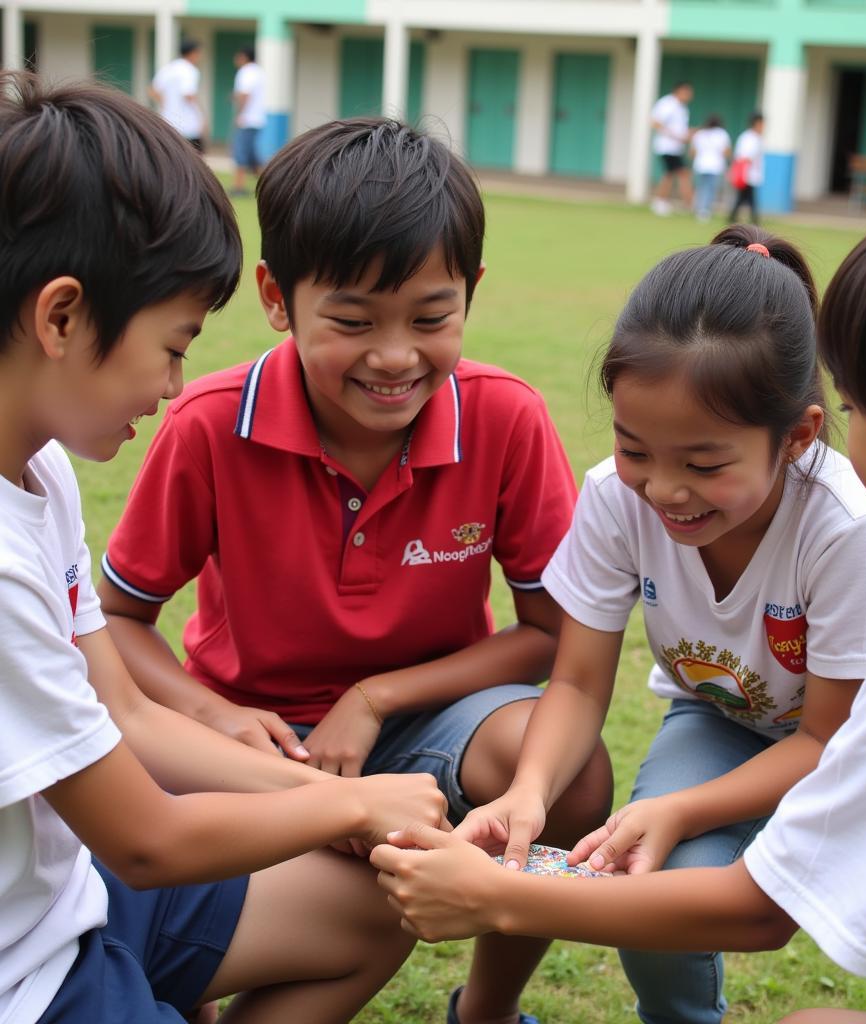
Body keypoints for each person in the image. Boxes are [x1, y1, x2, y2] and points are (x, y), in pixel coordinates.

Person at [373, 180, 866, 1024]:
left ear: (800, 436)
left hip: (845, 732)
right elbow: (573, 683)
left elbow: (823, 753)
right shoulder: (618, 498)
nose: (666, 490)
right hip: (723, 722)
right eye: (637, 449)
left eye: (706, 464)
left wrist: (528, 883)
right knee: (659, 885)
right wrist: (529, 794)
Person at [97, 116, 613, 1024]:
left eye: (430, 317)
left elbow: (548, 637)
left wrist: (376, 697)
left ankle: (485, 1012)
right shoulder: (210, 424)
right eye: (351, 321)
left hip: (427, 724)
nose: (394, 356)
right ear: (275, 296)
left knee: (569, 774)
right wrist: (218, 717)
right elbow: (119, 619)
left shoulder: (506, 419)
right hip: (244, 739)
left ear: (472, 292)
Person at [0, 72, 451, 1024]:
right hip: (25, 970)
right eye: (172, 345)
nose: (172, 385)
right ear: (61, 316)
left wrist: (330, 800)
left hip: (70, 900)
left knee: (376, 909)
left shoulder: (41, 475)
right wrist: (352, 808)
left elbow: (128, 709)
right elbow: (147, 840)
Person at [149, 38, 204, 151]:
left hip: (168, 120)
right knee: (193, 158)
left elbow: (152, 90)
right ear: (193, 53)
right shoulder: (190, 70)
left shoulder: (168, 68)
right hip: (189, 124)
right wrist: (202, 116)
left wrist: (166, 105)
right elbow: (188, 95)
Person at [649, 82, 693, 216]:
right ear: (679, 91)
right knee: (679, 173)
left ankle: (662, 201)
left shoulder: (682, 108)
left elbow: (681, 129)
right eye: (687, 92)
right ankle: (664, 202)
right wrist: (674, 136)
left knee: (671, 174)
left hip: (676, 148)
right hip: (667, 147)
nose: (690, 95)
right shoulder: (667, 104)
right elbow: (655, 122)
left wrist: (687, 135)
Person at [230, 46, 265, 197]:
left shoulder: (246, 71)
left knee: (241, 153)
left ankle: (239, 187)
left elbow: (245, 95)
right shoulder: (258, 71)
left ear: (244, 56)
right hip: (257, 119)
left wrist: (239, 114)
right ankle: (267, 183)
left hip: (247, 119)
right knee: (252, 156)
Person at [690, 114, 731, 222]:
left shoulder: (700, 134)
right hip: (715, 166)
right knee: (710, 189)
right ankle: (705, 210)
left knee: (701, 187)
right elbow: (726, 151)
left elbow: (693, 151)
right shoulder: (722, 134)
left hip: (700, 165)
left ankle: (699, 208)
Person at [729, 112, 765, 225]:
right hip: (747, 174)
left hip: (751, 174)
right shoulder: (749, 138)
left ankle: (733, 217)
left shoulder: (755, 138)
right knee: (748, 198)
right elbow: (745, 157)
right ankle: (754, 220)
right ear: (757, 123)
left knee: (743, 198)